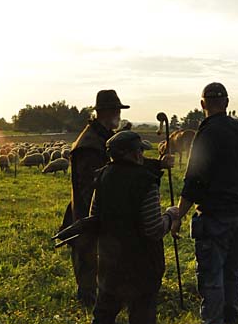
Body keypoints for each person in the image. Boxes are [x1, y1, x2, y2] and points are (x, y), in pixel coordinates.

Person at [84, 130, 180, 324]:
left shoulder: (102, 177)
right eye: (139, 150)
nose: (142, 154)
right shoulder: (145, 182)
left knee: (103, 316)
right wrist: (170, 216)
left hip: (109, 262)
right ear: (130, 154)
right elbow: (152, 229)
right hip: (141, 265)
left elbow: (95, 218)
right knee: (141, 321)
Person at [64, 89, 173, 307]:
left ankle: (107, 301)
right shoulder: (89, 144)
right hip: (91, 212)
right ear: (106, 112)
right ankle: (90, 307)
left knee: (108, 261)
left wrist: (157, 164)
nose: (118, 115)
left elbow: (121, 164)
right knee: (89, 260)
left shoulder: (102, 137)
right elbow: (105, 177)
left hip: (103, 212)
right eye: (116, 110)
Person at [169, 82, 238, 324]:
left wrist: (179, 214)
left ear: (202, 104)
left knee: (212, 272)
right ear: (227, 103)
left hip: (216, 214)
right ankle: (231, 316)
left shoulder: (206, 133)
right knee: (233, 268)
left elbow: (195, 177)